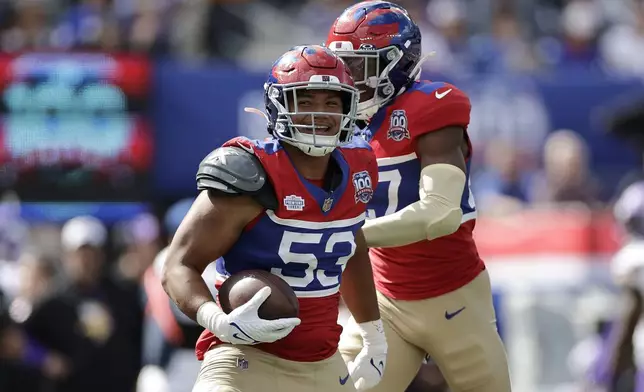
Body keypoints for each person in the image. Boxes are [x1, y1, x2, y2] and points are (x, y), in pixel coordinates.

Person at [162, 44, 387, 392]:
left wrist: (374, 335)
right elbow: (178, 265)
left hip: (323, 364)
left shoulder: (360, 165)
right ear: (279, 105)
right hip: (243, 359)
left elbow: (351, 248)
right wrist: (217, 321)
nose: (320, 114)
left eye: (331, 102)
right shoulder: (251, 171)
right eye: (306, 101)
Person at [325, 2, 512, 391]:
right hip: (384, 301)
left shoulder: (431, 106)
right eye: (345, 67)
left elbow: (439, 213)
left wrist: (355, 236)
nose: (351, 79)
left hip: (454, 298)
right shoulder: (339, 126)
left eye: (362, 66)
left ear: (396, 63)